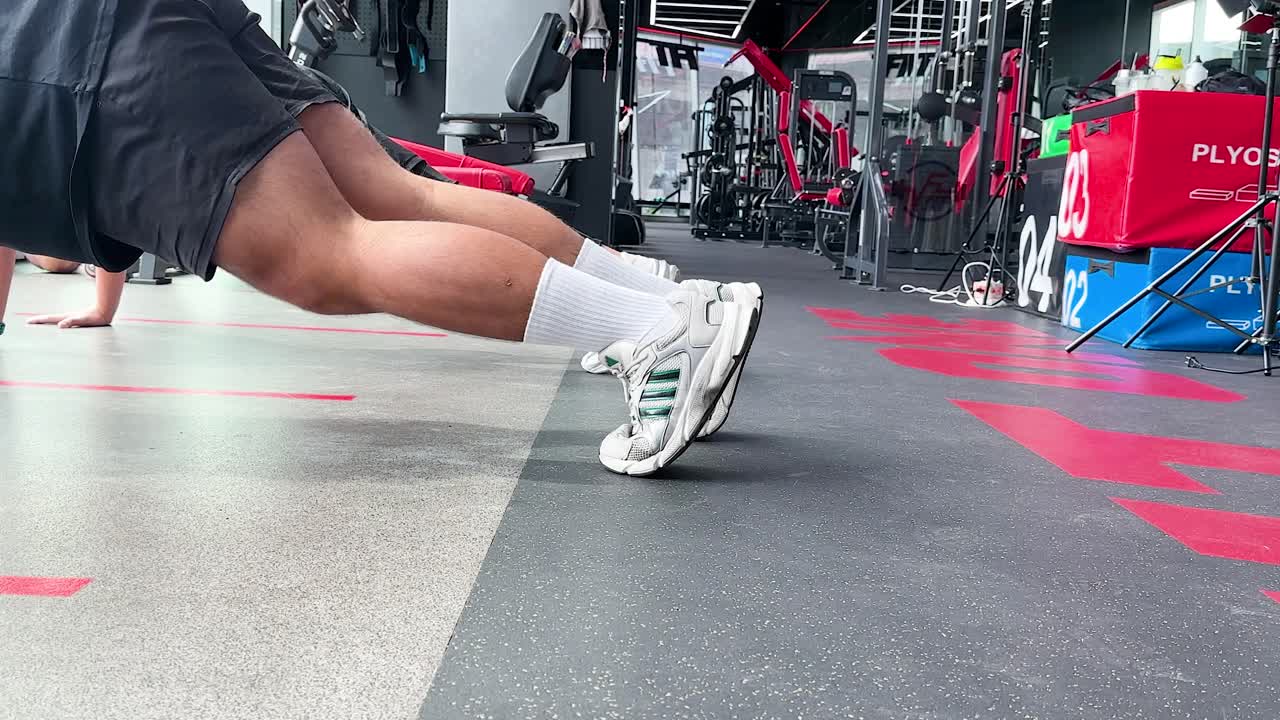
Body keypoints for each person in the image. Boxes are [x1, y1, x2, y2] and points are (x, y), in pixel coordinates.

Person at [0, 0, 763, 476]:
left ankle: (655, 334)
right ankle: (679, 304)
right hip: (107, 23)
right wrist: (102, 309)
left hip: (58, 69)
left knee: (325, 255)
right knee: (398, 198)